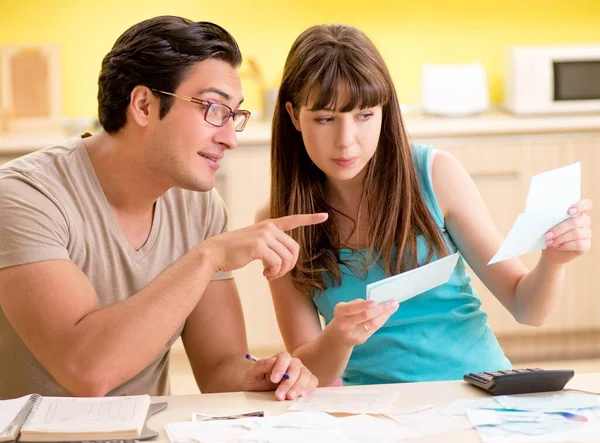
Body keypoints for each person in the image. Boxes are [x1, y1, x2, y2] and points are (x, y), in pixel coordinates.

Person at [0, 15, 326, 400]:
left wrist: (266, 374)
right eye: (214, 110)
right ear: (143, 105)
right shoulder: (25, 197)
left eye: (233, 116)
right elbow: (86, 372)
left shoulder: (200, 207)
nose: (229, 139)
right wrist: (208, 257)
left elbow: (219, 367)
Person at [258, 24, 593, 387]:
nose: (346, 141)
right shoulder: (279, 222)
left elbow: (528, 308)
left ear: (385, 110)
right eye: (325, 119)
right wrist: (338, 337)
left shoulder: (435, 175)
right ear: (294, 116)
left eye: (365, 115)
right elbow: (310, 377)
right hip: (375, 412)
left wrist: (553, 261)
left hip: (474, 391)